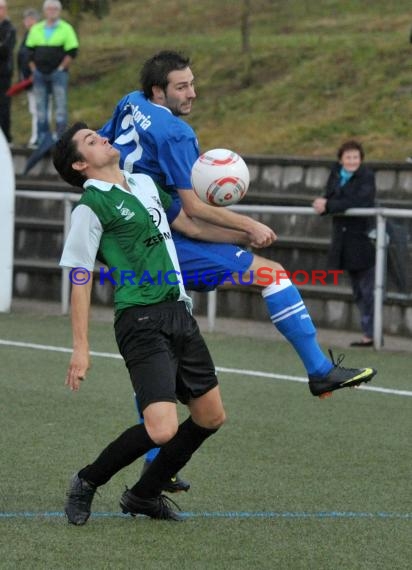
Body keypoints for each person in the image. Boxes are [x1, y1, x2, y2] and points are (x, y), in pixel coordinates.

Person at [99, 50, 377, 483]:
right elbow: (193, 209)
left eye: (192, 82)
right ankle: (319, 372)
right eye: (181, 86)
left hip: (139, 238)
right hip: (164, 241)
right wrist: (248, 223)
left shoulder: (130, 101)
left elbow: (106, 154)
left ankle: (156, 463)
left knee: (160, 345)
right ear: (159, 90)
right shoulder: (175, 132)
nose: (192, 92)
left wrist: (237, 234)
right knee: (271, 274)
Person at [53, 122, 253, 523]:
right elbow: (79, 276)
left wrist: (243, 230)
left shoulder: (143, 183)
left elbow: (189, 225)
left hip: (179, 312)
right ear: (80, 164)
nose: (104, 139)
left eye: (100, 134)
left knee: (210, 417)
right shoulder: (91, 208)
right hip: (140, 318)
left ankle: (144, 495)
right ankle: (88, 481)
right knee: (161, 429)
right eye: (92, 141)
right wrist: (81, 346)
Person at [312, 140, 377, 347]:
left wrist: (328, 205)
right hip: (344, 241)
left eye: (355, 157)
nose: (352, 161)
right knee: (358, 291)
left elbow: (360, 201)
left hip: (363, 240)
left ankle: (372, 334)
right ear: (341, 159)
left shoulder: (366, 176)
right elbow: (332, 197)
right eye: (348, 157)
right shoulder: (336, 174)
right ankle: (369, 333)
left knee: (368, 291)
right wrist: (322, 202)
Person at [25, 0, 79, 144]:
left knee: (60, 106)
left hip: (58, 73)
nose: (52, 11)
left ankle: (60, 137)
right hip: (39, 73)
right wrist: (33, 69)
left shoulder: (66, 28)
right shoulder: (36, 28)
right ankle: (42, 138)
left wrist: (61, 68)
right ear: (44, 11)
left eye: (55, 8)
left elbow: (72, 51)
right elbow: (29, 51)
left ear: (59, 11)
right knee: (40, 108)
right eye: (49, 9)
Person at [17, 8, 40, 147]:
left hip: (37, 77)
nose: (27, 22)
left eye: (30, 19)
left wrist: (34, 73)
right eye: (26, 19)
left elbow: (38, 56)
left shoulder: (39, 34)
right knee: (33, 108)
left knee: (40, 109)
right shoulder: (27, 35)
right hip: (27, 79)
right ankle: (35, 136)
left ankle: (38, 137)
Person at [0, 0, 16, 144]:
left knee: (4, 106)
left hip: (4, 74)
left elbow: (5, 50)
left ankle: (5, 137)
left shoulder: (10, 28)